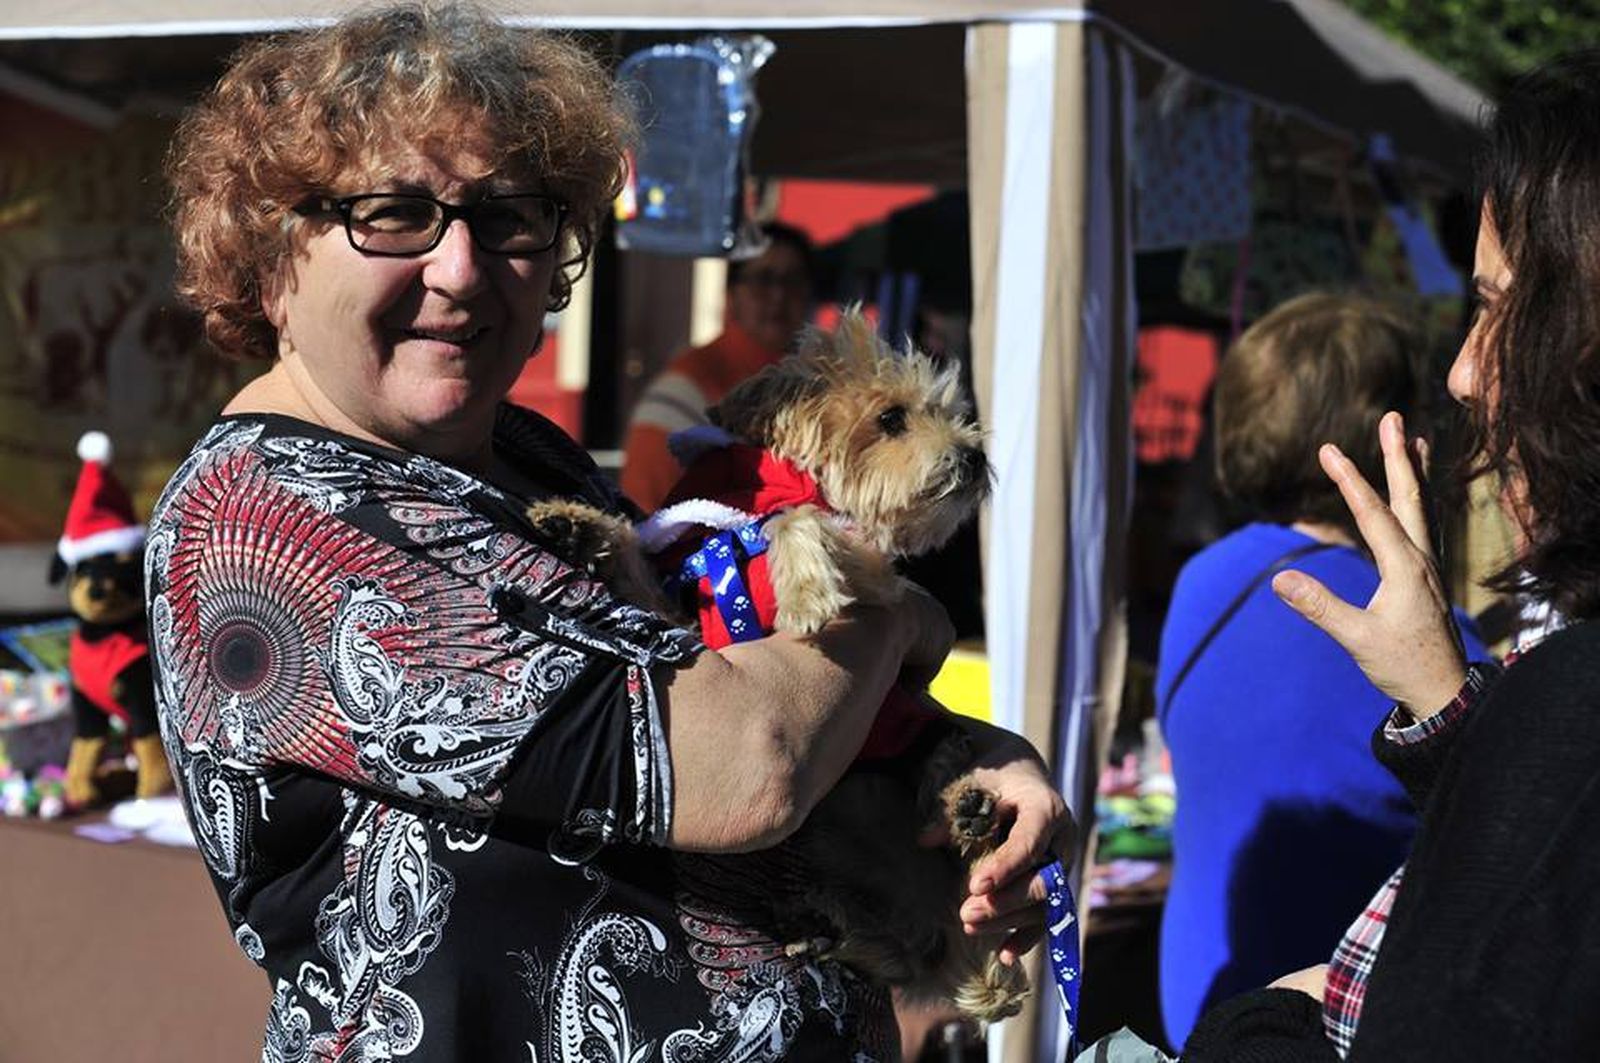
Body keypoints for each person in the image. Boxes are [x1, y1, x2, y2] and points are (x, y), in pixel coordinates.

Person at [150, 6, 1071, 1060]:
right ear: (272, 250)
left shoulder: (520, 450)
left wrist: (980, 764)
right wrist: (891, 599)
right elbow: (750, 758)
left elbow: (736, 645)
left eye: (509, 216)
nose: (460, 267)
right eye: (394, 214)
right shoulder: (267, 522)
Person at [1181, 49, 1600, 1060]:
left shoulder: (1207, 575)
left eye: (1501, 308)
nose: (1462, 374)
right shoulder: (1536, 689)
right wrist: (1452, 704)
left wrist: (1269, 1018)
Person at [1154, 293, 1487, 1048]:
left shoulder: (1202, 580)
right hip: (1323, 1026)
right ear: (1397, 436)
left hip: (1202, 1000)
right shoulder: (1432, 642)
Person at [620, 222, 816, 511]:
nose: (778, 296)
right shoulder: (688, 385)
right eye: (763, 279)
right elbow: (642, 511)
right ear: (732, 296)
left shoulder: (819, 383)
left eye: (793, 280)